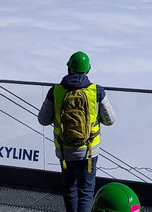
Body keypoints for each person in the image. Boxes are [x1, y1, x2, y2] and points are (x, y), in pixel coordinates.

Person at [38, 51, 117, 212]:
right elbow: (110, 120)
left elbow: (43, 120)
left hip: (65, 151)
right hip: (89, 151)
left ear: (69, 69)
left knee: (69, 191)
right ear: (88, 70)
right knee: (86, 192)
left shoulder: (55, 91)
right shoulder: (96, 91)